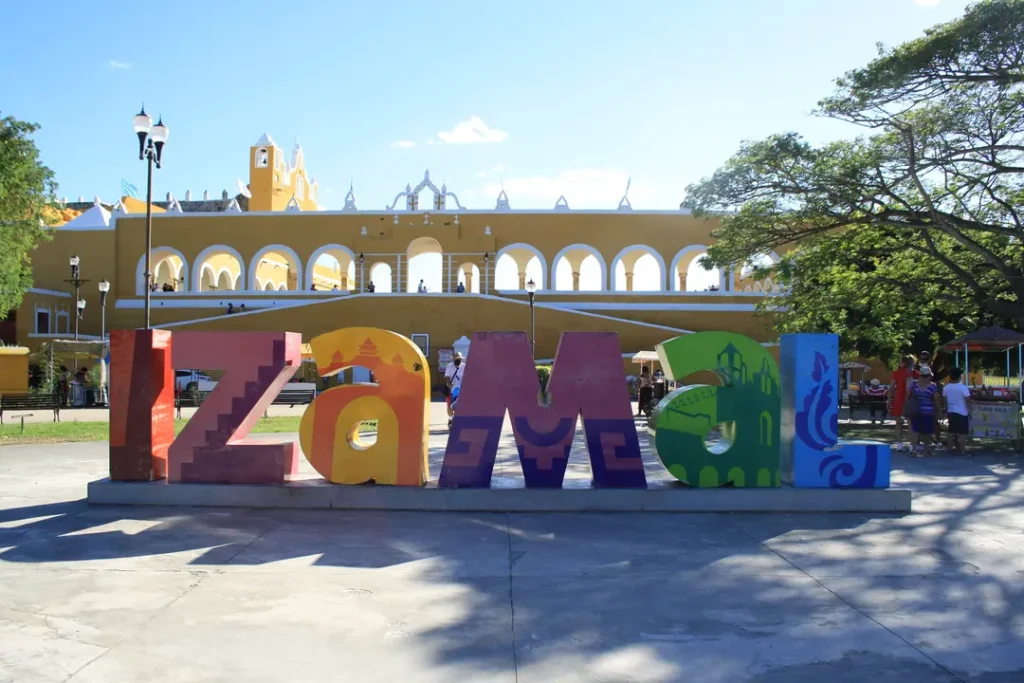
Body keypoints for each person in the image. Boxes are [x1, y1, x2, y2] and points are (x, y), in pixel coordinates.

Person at [906, 364, 940, 457]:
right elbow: (936, 399)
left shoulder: (913, 384)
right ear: (929, 375)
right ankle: (926, 450)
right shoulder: (932, 386)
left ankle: (914, 449)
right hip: (928, 411)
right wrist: (939, 410)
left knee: (915, 430)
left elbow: (907, 396)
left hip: (915, 411)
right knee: (927, 432)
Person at [943, 367, 972, 456]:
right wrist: (970, 411)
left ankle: (949, 449)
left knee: (951, 431)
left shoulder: (946, 388)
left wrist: (946, 411)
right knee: (963, 433)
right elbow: (968, 400)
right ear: (960, 377)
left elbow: (944, 401)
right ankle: (963, 450)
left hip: (951, 411)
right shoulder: (963, 387)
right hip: (962, 413)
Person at [888, 355, 915, 451]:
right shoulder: (915, 373)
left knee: (898, 423)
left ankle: (899, 444)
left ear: (903, 362)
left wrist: (889, 400)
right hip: (911, 400)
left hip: (899, 399)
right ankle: (912, 445)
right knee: (911, 424)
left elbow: (891, 388)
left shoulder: (896, 373)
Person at [444, 352, 464, 428]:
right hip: (451, 390)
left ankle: (457, 421)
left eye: (458, 359)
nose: (457, 360)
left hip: (462, 391)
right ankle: (450, 419)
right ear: (453, 359)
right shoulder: (449, 366)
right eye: (455, 359)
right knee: (450, 407)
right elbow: (447, 376)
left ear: (461, 359)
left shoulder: (465, 367)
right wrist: (448, 384)